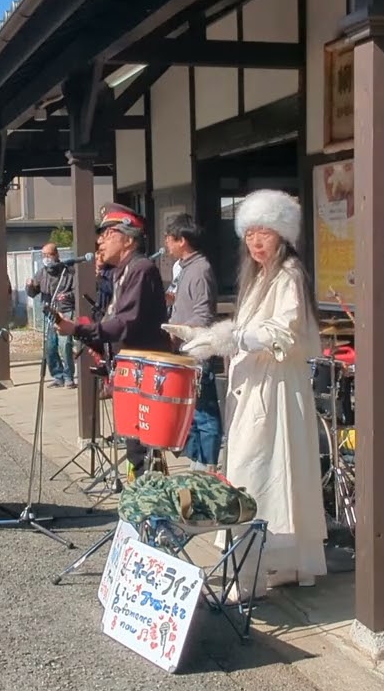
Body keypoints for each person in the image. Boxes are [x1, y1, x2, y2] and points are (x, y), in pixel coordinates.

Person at [164, 189, 327, 592]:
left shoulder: (288, 275)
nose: (256, 241)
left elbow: (281, 332)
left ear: (282, 235)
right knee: (258, 470)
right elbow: (245, 332)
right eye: (250, 233)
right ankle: (272, 562)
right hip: (256, 385)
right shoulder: (259, 277)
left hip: (274, 388)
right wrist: (204, 335)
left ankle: (257, 568)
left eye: (265, 233)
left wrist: (227, 338)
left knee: (262, 470)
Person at [55, 204, 170, 479]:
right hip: (130, 369)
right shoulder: (122, 271)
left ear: (128, 239)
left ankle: (149, 510)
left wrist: (78, 330)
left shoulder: (141, 269)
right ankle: (139, 509)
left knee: (143, 451)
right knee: (134, 446)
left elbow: (126, 322)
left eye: (108, 234)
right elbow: (110, 318)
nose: (99, 241)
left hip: (145, 371)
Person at [162, 213, 222, 472]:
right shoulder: (186, 268)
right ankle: (195, 462)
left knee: (206, 412)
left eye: (170, 239)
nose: (166, 244)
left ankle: (207, 465)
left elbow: (203, 313)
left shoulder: (200, 269)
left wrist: (181, 331)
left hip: (198, 349)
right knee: (193, 413)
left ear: (182, 241)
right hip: (184, 349)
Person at [28, 243, 76, 388]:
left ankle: (68, 377)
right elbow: (32, 292)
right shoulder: (42, 272)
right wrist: (30, 285)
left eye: (48, 255)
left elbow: (76, 291)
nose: (46, 258)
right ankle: (58, 375)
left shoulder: (68, 272)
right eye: (43, 255)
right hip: (49, 312)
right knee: (50, 346)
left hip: (65, 311)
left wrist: (66, 296)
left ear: (56, 255)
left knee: (65, 344)